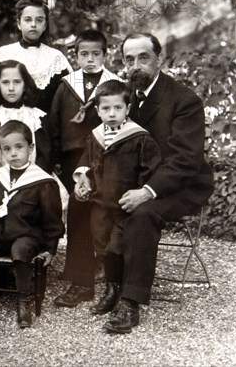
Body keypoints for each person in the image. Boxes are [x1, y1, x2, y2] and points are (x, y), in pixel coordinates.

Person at [63, 33, 214, 334]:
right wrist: (84, 179)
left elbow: (185, 160)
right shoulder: (120, 96)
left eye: (143, 58)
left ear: (159, 59)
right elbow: (97, 144)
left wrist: (147, 192)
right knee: (83, 201)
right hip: (126, 180)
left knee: (142, 214)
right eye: (129, 59)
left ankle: (129, 302)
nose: (136, 66)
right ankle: (93, 283)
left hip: (177, 184)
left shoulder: (184, 100)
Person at [70, 80, 161, 320]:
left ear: (127, 109)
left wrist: (141, 194)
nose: (111, 114)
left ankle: (125, 297)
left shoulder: (139, 138)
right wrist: (83, 179)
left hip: (124, 206)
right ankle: (112, 289)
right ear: (98, 110)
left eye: (118, 108)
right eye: (106, 109)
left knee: (119, 247)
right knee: (102, 246)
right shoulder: (96, 136)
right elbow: (85, 162)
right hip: (100, 204)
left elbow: (151, 169)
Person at [0, 121, 64, 328]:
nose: (13, 154)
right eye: (7, 149)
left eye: (19, 147)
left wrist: (51, 248)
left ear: (30, 148)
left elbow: (52, 220)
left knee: (20, 250)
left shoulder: (42, 182)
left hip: (27, 234)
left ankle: (23, 301)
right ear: (0, 152)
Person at [50, 30, 121, 297]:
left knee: (101, 211)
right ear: (75, 55)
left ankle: (104, 264)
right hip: (73, 158)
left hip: (106, 157)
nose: (89, 59)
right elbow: (56, 122)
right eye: (83, 54)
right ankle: (78, 272)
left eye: (95, 54)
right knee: (78, 210)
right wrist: (56, 157)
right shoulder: (67, 85)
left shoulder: (114, 85)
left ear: (105, 54)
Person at [0, 0, 72, 113]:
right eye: (28, 20)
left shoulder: (55, 58)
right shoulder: (2, 54)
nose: (34, 24)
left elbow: (65, 101)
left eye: (39, 20)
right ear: (19, 23)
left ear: (45, 25)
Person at [0, 59, 51, 171]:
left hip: (34, 179)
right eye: (5, 82)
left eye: (17, 82)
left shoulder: (36, 117)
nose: (11, 88)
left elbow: (44, 155)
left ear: (25, 85)